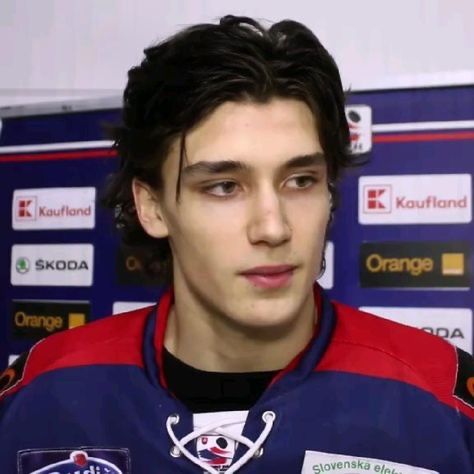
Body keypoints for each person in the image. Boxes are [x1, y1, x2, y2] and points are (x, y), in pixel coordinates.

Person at [0, 15, 472, 474]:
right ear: (152, 207)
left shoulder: (442, 402)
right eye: (225, 186)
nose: (273, 227)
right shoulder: (43, 391)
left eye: (301, 179)